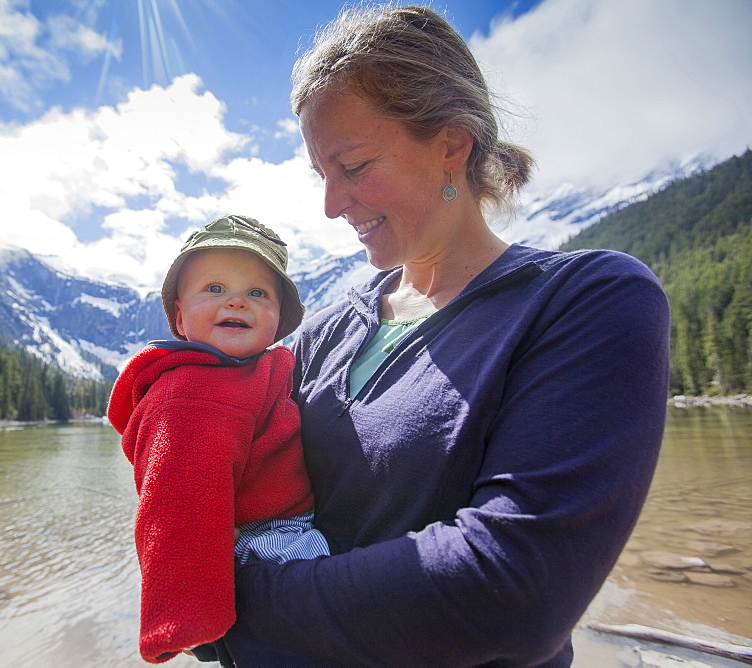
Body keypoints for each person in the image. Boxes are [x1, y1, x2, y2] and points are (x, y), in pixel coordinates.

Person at [202, 5, 671, 666]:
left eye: (355, 166)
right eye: (322, 175)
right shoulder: (331, 327)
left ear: (452, 144)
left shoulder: (587, 300)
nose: (331, 205)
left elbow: (513, 588)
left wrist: (231, 604)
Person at [107, 214, 329, 664]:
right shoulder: (193, 395)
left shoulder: (251, 371)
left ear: (279, 320)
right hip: (268, 544)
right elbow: (178, 503)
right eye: (214, 289)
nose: (236, 302)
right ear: (178, 316)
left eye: (257, 293)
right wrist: (186, 619)